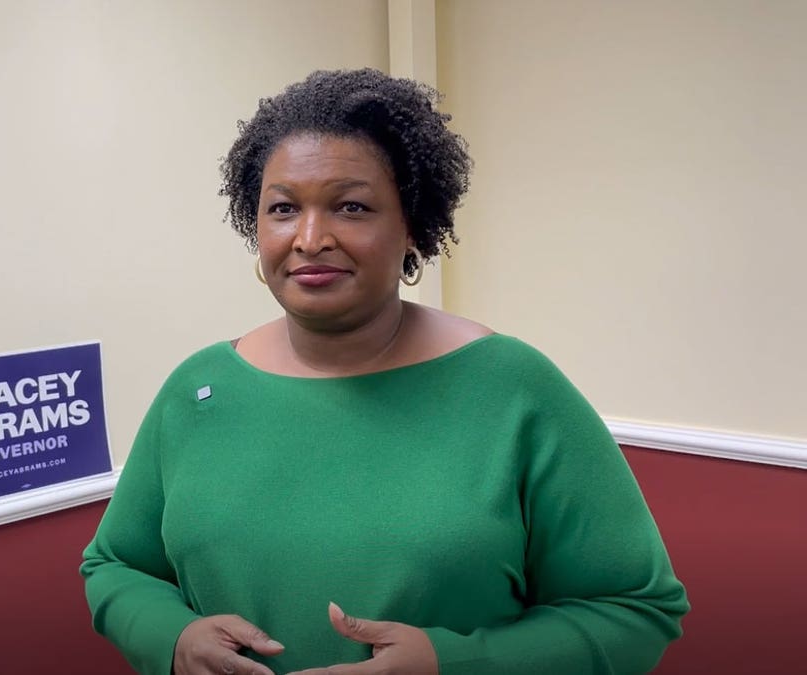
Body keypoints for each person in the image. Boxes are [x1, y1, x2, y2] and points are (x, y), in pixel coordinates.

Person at [81, 68, 688, 675]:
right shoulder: (198, 390)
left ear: (412, 228)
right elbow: (116, 565)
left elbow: (635, 608)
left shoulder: (513, 388)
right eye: (284, 209)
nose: (311, 238)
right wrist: (175, 640)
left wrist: (452, 664)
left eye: (352, 206)